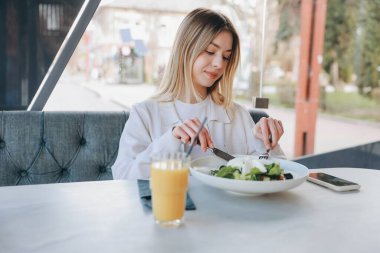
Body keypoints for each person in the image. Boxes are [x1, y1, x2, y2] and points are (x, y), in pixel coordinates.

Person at [112, 8, 285, 180]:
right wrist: (171, 141)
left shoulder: (237, 115)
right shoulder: (145, 113)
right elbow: (123, 178)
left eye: (226, 57)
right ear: (185, 49)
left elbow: (280, 174)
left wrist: (266, 142)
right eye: (210, 51)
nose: (219, 64)